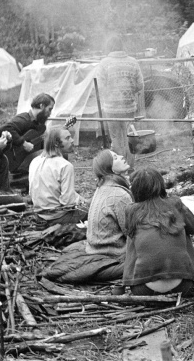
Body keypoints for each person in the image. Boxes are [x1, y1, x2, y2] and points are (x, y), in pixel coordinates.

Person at [123, 168, 194, 296]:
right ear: (161, 185)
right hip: (184, 286)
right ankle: (190, 274)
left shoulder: (131, 210)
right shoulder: (175, 203)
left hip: (143, 290)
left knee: (133, 236)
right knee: (181, 227)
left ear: (135, 189)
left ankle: (127, 281)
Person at [96, 34, 145, 169]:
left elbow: (100, 87)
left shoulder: (104, 63)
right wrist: (129, 91)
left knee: (116, 139)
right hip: (129, 108)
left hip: (111, 109)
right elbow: (140, 84)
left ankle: (121, 168)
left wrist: (109, 94)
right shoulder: (133, 62)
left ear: (109, 47)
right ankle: (131, 167)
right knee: (129, 137)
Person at [29, 127, 87, 226]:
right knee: (93, 211)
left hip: (39, 215)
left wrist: (80, 199)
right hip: (57, 217)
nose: (72, 140)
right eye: (68, 138)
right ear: (56, 143)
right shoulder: (65, 166)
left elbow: (34, 192)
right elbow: (67, 203)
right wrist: (84, 203)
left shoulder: (35, 161)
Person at [86, 149, 133, 257]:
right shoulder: (119, 194)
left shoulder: (103, 186)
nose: (121, 156)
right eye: (115, 158)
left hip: (95, 249)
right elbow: (130, 232)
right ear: (110, 169)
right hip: (113, 253)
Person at [0, 93, 55, 180]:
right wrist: (23, 143)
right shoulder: (23, 119)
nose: (50, 114)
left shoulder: (41, 126)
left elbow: (37, 144)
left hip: (24, 158)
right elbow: (3, 129)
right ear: (42, 106)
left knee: (54, 151)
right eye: (49, 109)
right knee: (50, 155)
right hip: (13, 160)